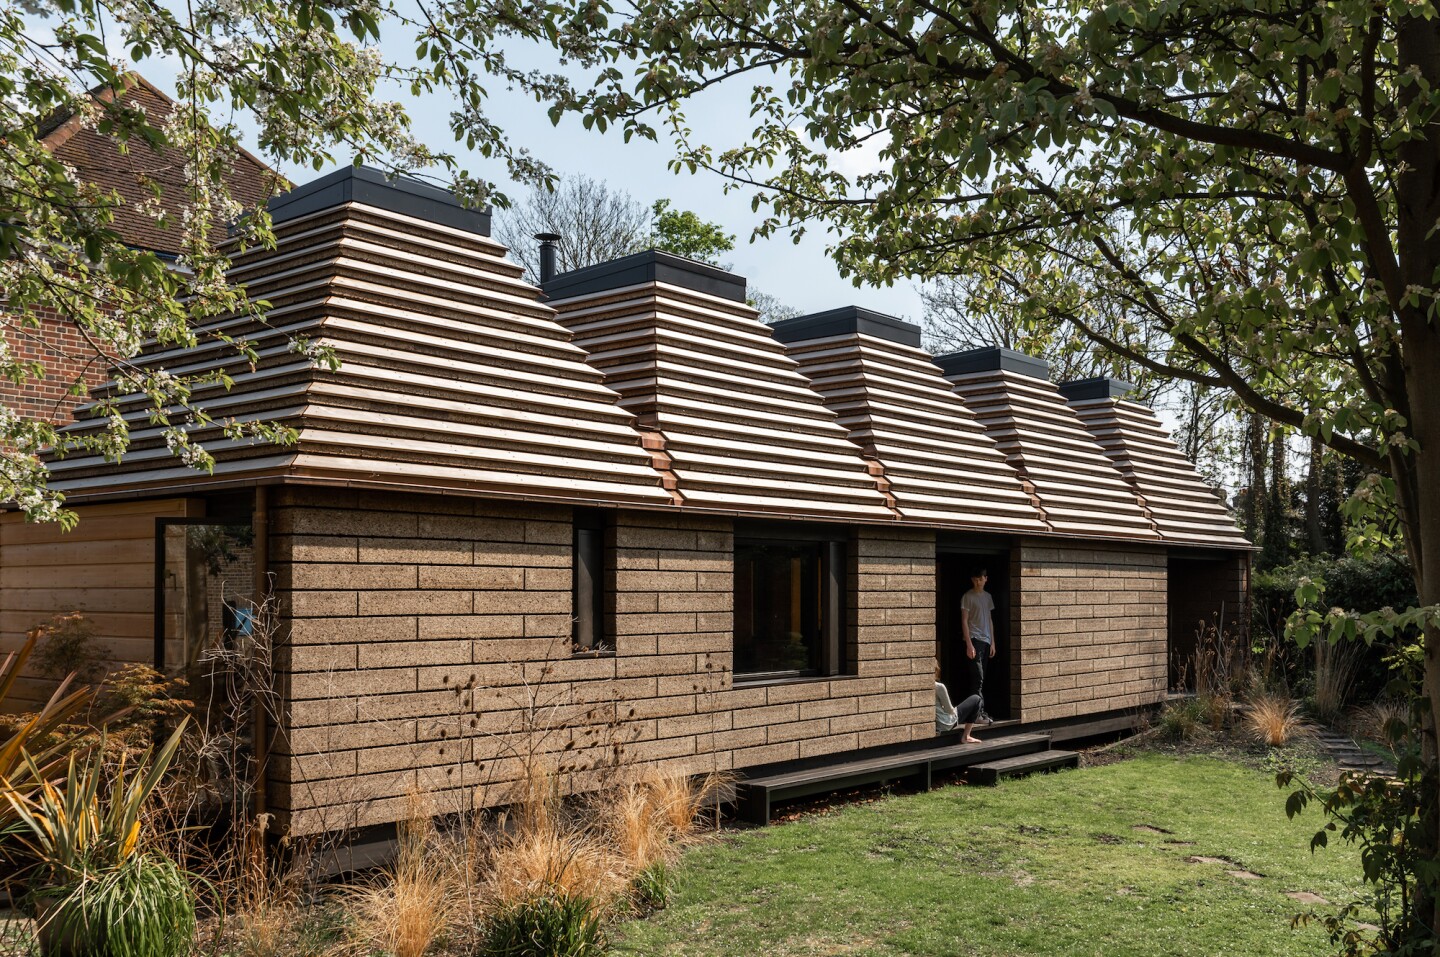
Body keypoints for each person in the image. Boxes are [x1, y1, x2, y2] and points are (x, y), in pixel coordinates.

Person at [961, 567, 996, 725]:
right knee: (978, 678)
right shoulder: (967, 596)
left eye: (980, 579)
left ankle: (979, 712)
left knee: (981, 679)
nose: (978, 582)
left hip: (986, 641)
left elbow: (989, 620)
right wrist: (968, 644)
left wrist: (993, 642)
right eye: (975, 579)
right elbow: (964, 621)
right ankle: (976, 714)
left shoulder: (988, 597)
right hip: (974, 640)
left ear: (985, 579)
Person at [936, 664, 983, 743]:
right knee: (976, 699)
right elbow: (949, 710)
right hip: (945, 723)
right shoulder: (939, 686)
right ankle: (966, 736)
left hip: (935, 724)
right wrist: (954, 710)